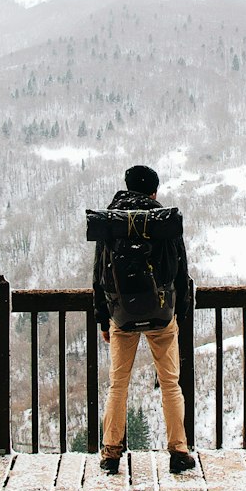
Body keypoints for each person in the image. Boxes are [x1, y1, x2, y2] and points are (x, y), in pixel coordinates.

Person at [91, 164, 196, 475]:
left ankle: (111, 453)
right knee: (170, 384)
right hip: (162, 316)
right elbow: (180, 269)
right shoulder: (163, 222)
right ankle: (178, 450)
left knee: (117, 384)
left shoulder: (112, 222)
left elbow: (99, 274)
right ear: (154, 191)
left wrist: (102, 319)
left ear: (126, 187)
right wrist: (179, 312)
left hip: (121, 315)